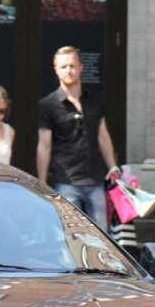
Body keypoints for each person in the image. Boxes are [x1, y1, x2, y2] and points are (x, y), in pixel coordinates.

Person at [37, 46, 119, 227]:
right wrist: (42, 182)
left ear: (81, 68)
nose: (69, 70)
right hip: (66, 181)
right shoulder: (48, 104)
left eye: (72, 66)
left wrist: (112, 166)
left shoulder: (95, 100)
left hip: (96, 179)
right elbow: (44, 145)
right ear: (56, 70)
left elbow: (103, 136)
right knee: (72, 237)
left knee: (102, 238)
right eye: (64, 66)